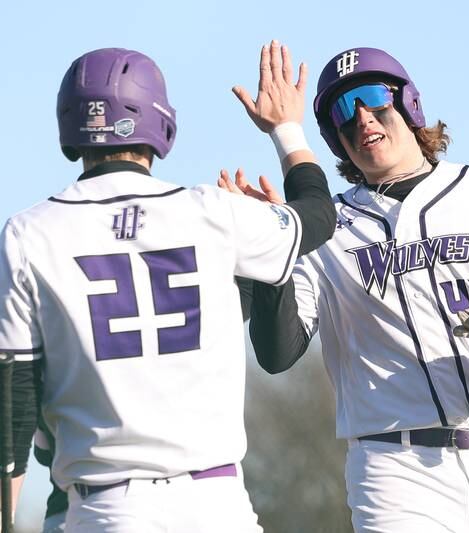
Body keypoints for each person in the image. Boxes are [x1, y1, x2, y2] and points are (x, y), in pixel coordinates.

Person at [236, 47, 469, 532]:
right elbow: (277, 354)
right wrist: (270, 253)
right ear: (335, 138)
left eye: (372, 99)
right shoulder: (326, 228)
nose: (362, 118)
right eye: (344, 112)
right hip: (395, 468)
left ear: (408, 105)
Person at [0, 41, 334, 532]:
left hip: (105, 506)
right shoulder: (213, 214)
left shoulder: (31, 232)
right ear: (161, 122)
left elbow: (15, 402)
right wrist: (285, 129)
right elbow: (319, 216)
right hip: (217, 504)